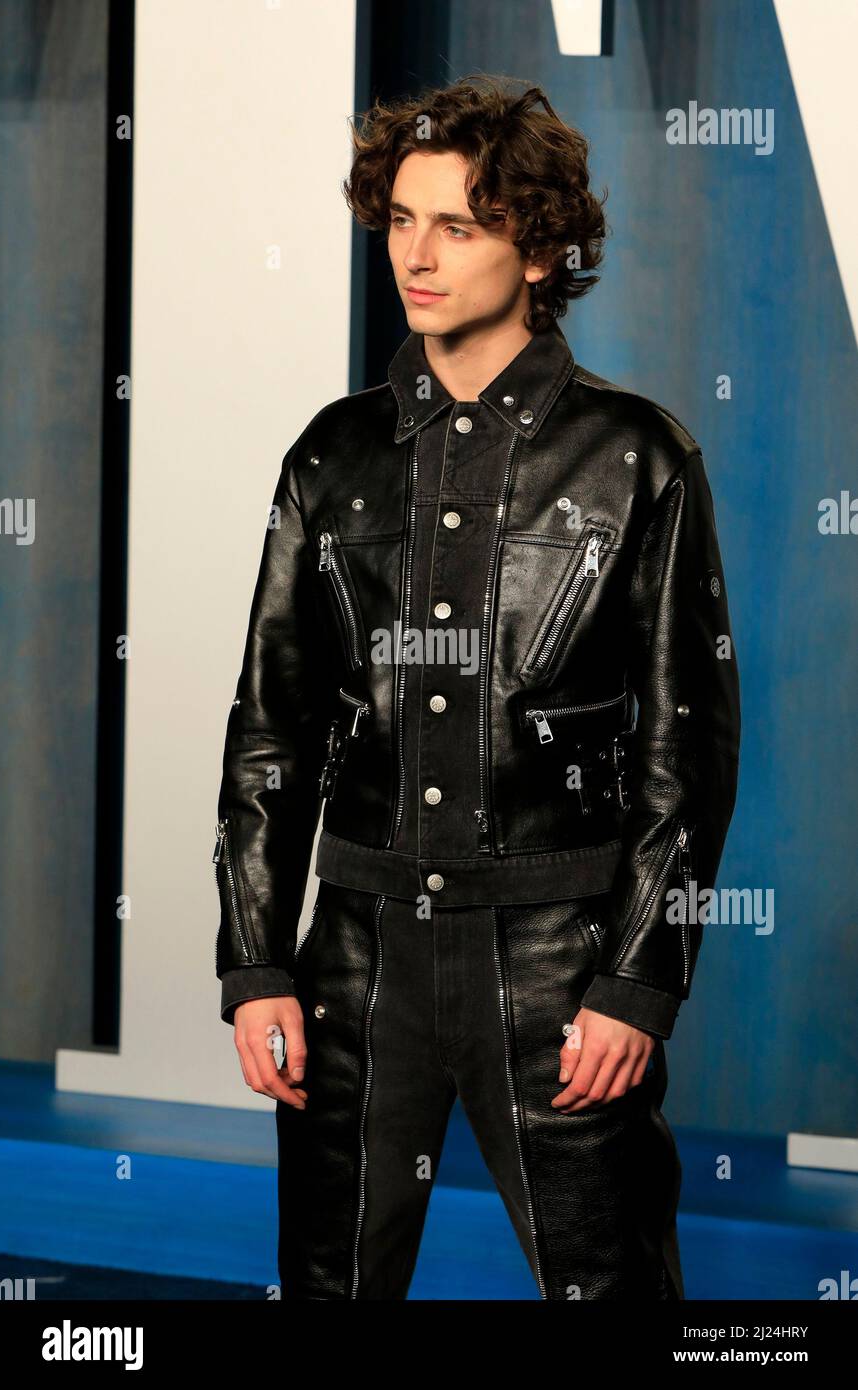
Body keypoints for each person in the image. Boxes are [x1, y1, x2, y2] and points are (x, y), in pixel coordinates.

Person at [213, 76, 741, 1300]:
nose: (418, 253)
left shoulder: (636, 455)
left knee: (610, 1289)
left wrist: (635, 982)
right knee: (328, 1285)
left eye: (458, 224)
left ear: (542, 246)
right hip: (353, 956)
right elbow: (269, 728)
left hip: (559, 966)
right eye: (400, 219)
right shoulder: (329, 453)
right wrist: (256, 965)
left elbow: (686, 748)